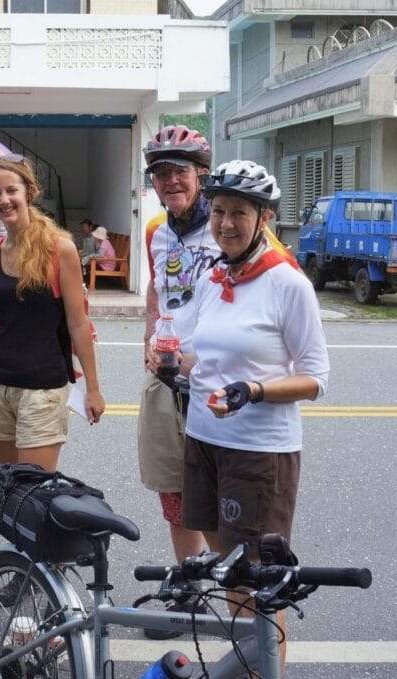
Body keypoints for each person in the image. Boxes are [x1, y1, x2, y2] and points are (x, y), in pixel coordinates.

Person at [182, 159, 330, 668]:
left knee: (257, 584)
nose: (225, 223)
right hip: (204, 440)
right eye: (218, 211)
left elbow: (316, 378)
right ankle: (245, 669)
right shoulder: (214, 274)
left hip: (258, 452)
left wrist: (255, 390)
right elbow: (202, 354)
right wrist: (173, 364)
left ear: (263, 216)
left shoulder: (288, 283)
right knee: (231, 574)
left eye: (238, 213)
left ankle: (262, 673)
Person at [136, 125, 218, 638]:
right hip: (164, 378)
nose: (171, 181)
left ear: (201, 176)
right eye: (161, 173)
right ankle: (190, 585)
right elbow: (156, 293)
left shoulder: (232, 225)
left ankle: (231, 586)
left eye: (180, 172)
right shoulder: (156, 232)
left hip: (214, 382)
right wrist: (149, 341)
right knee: (174, 488)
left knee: (217, 491)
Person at [0, 154, 104, 472]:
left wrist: (93, 388)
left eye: (11, 190)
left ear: (28, 191)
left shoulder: (59, 249)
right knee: (9, 486)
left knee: (33, 494)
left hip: (43, 390)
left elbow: (78, 322)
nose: (4, 200)